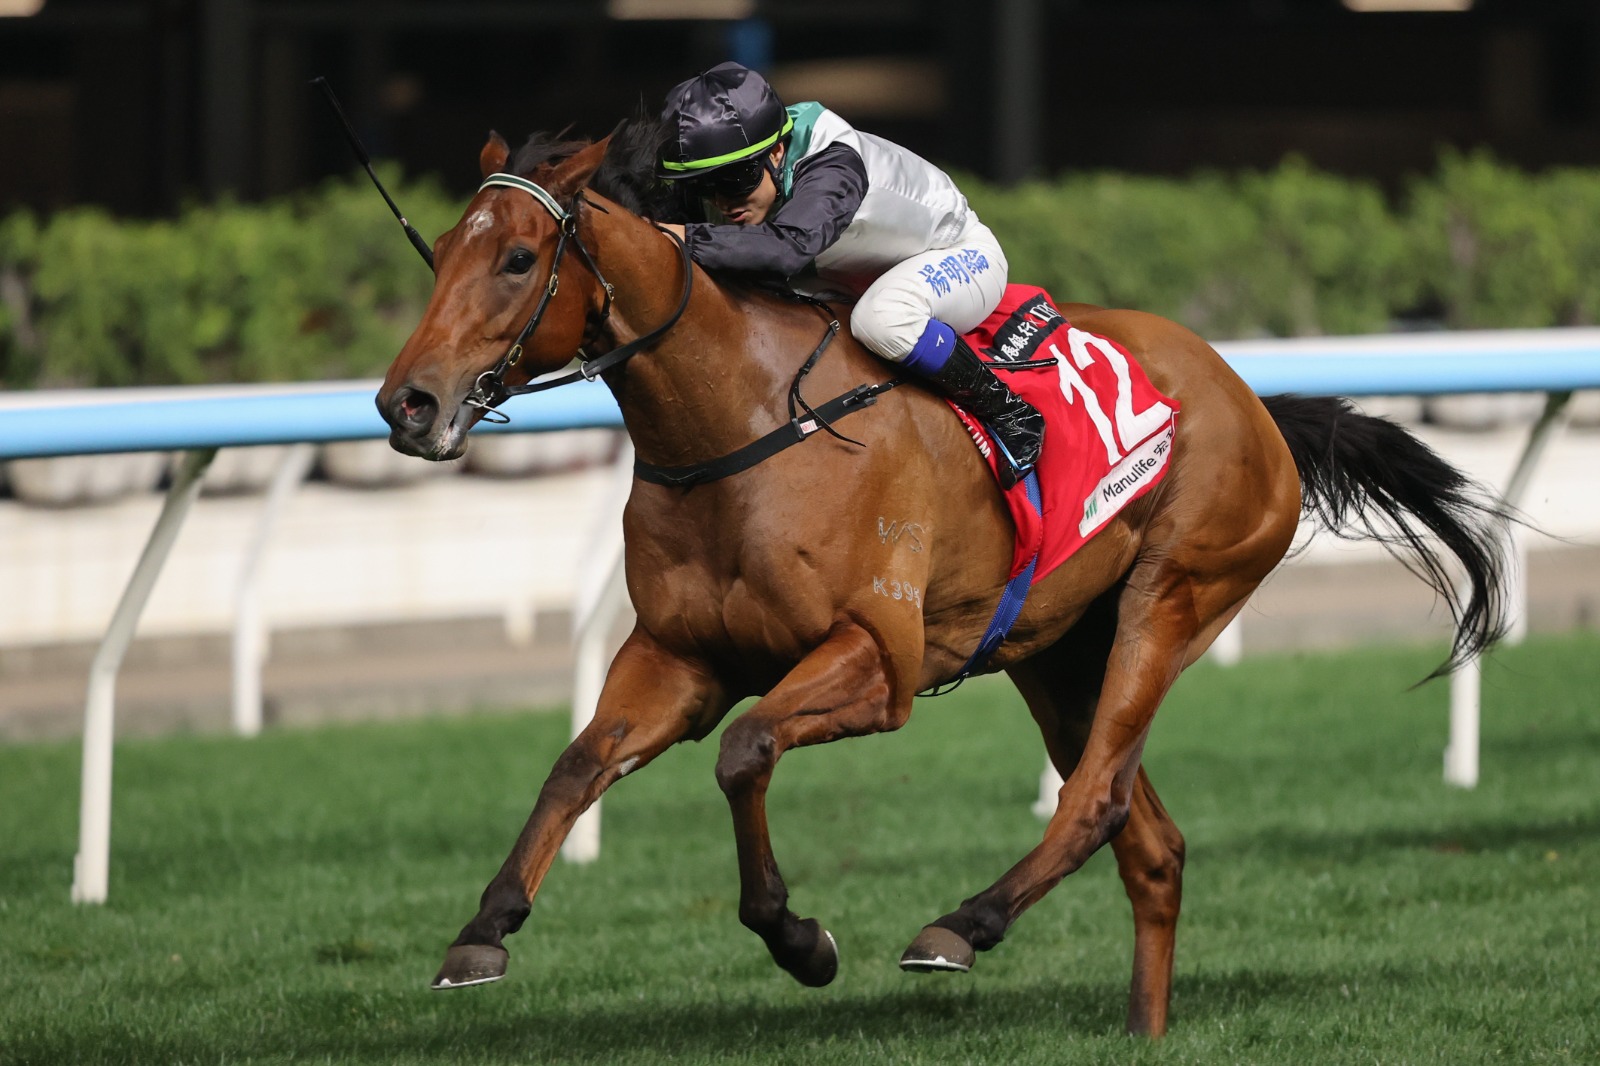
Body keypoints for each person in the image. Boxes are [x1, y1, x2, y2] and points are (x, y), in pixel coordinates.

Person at [654, 62, 1043, 486]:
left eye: (735, 180)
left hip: (959, 254)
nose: (723, 202)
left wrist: (682, 236)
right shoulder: (754, 167)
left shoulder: (833, 165)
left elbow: (787, 248)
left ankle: (1010, 412)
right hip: (852, 278)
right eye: (705, 185)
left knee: (882, 319)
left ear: (777, 152)